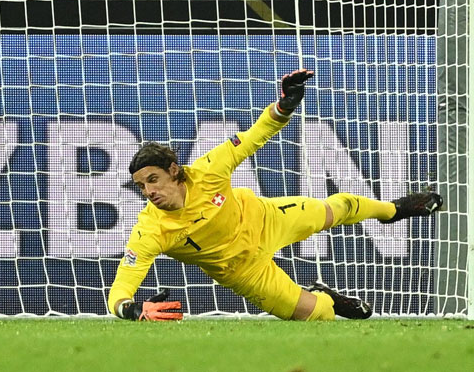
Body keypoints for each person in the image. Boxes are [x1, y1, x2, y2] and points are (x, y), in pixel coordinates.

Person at [108, 69, 443, 322]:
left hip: (266, 218)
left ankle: (393, 210)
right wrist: (132, 308)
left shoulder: (208, 169)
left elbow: (256, 135)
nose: (150, 192)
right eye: (142, 186)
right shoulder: (151, 229)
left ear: (174, 170)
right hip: (244, 271)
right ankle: (327, 297)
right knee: (318, 316)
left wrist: (285, 105)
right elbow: (121, 287)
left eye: (153, 179)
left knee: (336, 208)